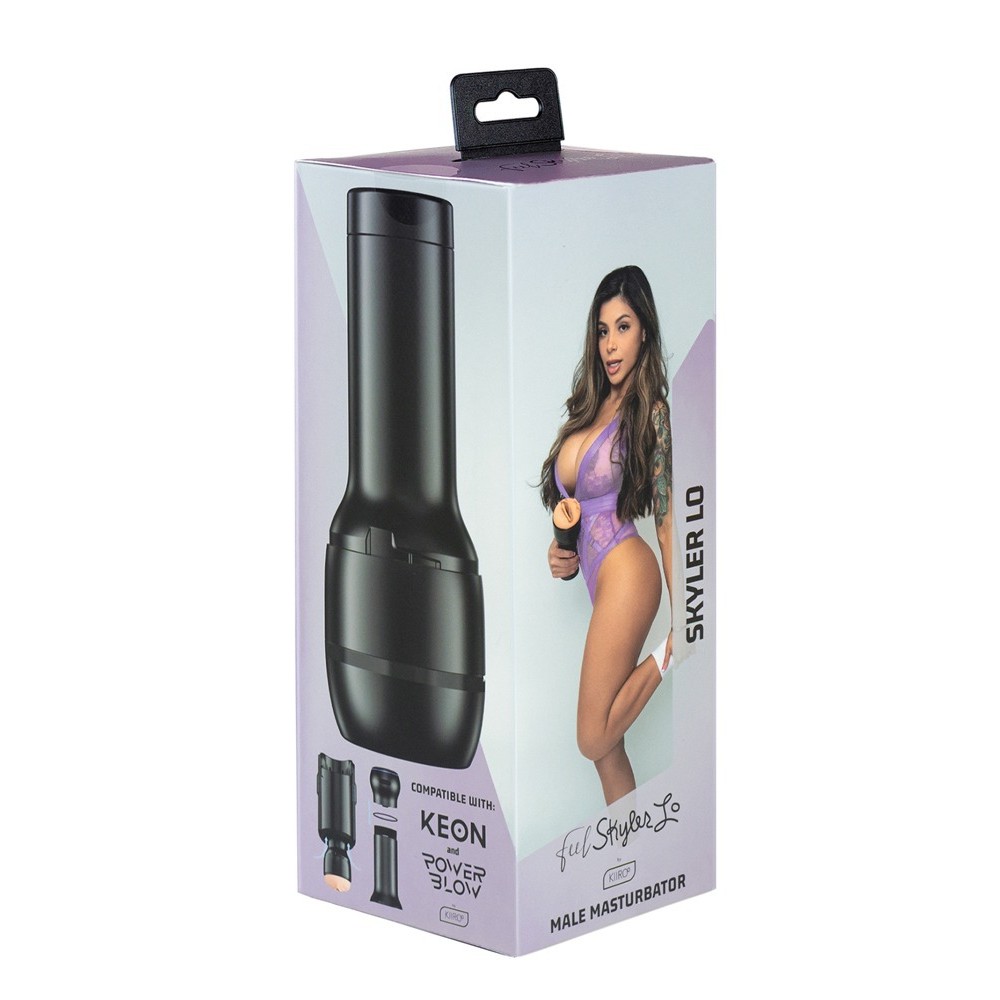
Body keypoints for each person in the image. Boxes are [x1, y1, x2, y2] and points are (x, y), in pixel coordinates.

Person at [540, 265, 673, 805]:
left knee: (591, 735)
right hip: (597, 575)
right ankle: (633, 847)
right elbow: (574, 509)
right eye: (602, 331)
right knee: (607, 750)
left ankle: (670, 655)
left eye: (623, 327)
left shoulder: (651, 413)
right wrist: (560, 554)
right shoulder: (588, 407)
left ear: (644, 332)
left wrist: (686, 615)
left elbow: (665, 517)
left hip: (628, 570)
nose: (611, 345)